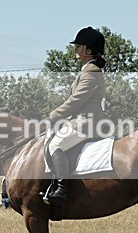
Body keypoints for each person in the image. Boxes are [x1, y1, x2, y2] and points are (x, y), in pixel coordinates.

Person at [45, 26, 108, 205]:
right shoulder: (88, 70)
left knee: (55, 145)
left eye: (79, 46)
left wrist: (53, 117)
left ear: (88, 50)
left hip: (86, 123)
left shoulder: (91, 72)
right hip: (81, 121)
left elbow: (75, 101)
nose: (76, 48)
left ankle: (62, 190)